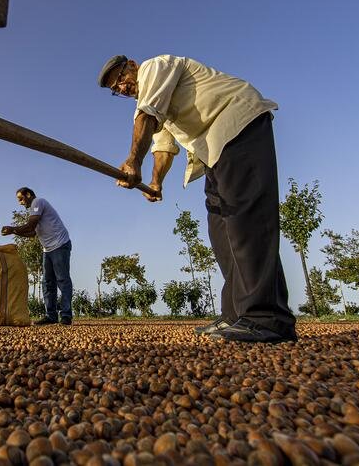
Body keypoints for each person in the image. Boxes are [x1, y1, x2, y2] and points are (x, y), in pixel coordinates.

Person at [98, 54, 296, 344]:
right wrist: (155, 182)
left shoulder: (155, 68)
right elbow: (162, 146)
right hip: (213, 150)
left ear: (132, 65)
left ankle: (267, 317)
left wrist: (131, 161)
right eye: (116, 89)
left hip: (237, 123)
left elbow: (147, 117)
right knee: (222, 231)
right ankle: (236, 315)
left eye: (120, 78)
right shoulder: (155, 100)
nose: (122, 87)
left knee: (245, 220)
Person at [1, 187, 73, 325]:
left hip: (60, 244)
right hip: (47, 249)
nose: (20, 202)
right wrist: (14, 232)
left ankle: (66, 315)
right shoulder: (32, 210)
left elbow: (30, 225)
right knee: (47, 282)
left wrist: (12, 229)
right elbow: (32, 233)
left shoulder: (38, 202)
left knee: (62, 280)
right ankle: (51, 316)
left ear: (28, 194)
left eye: (21, 198)